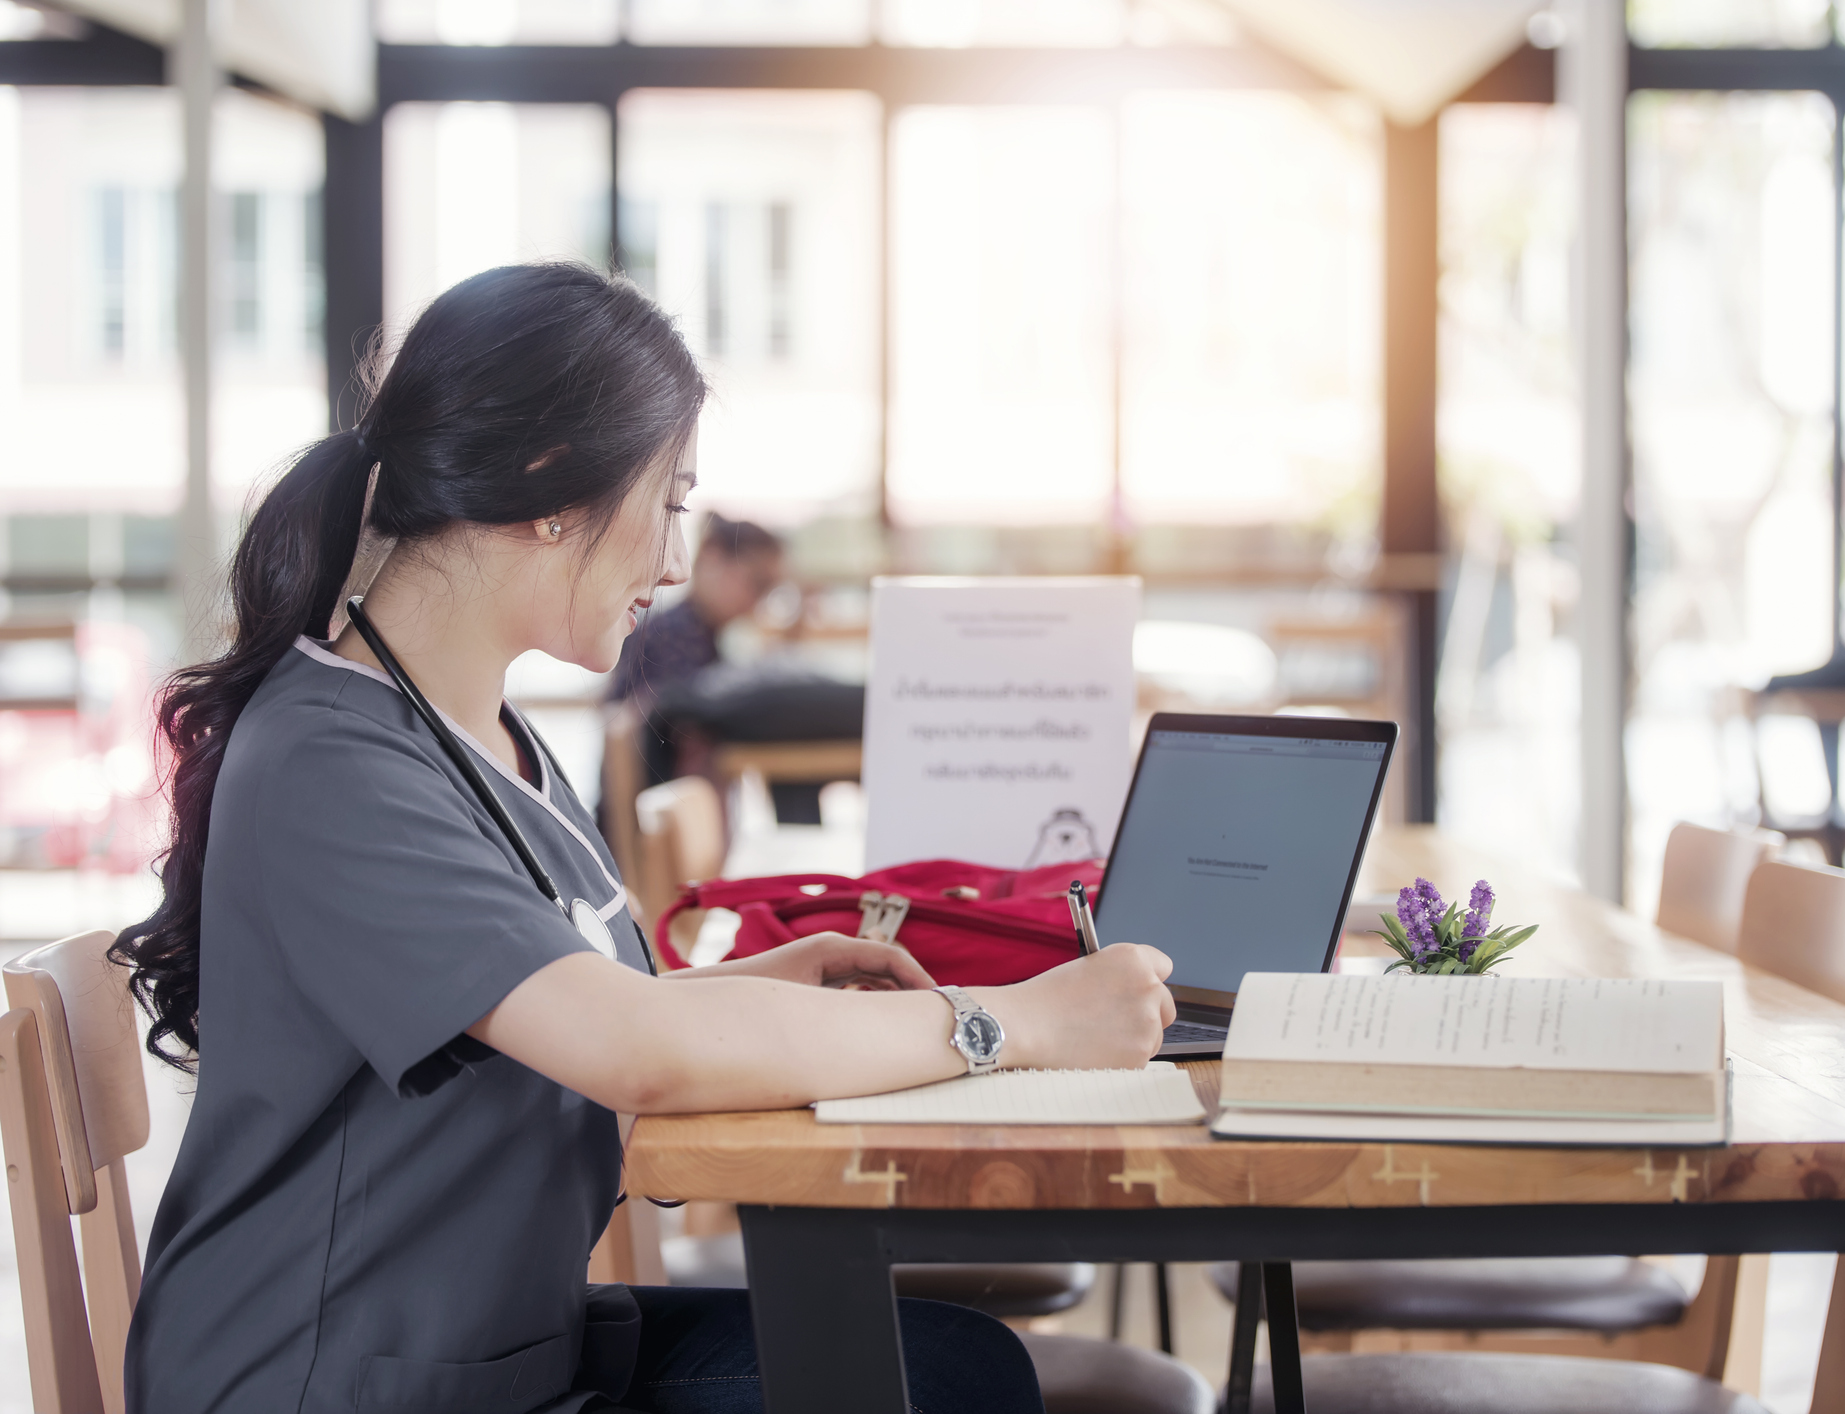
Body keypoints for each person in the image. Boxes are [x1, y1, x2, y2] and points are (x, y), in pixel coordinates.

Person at [113, 263, 1174, 1414]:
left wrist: (757, 987)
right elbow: (634, 1051)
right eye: (670, 502)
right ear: (548, 486)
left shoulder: (482, 733)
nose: (674, 563)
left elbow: (595, 1011)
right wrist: (1014, 1022)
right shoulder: (334, 761)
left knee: (956, 1368)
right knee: (935, 1388)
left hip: (482, 1351)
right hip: (327, 1383)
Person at [605, 512, 782, 713]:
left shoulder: (704, 634)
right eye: (758, 583)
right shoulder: (669, 636)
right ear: (712, 557)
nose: (759, 601)